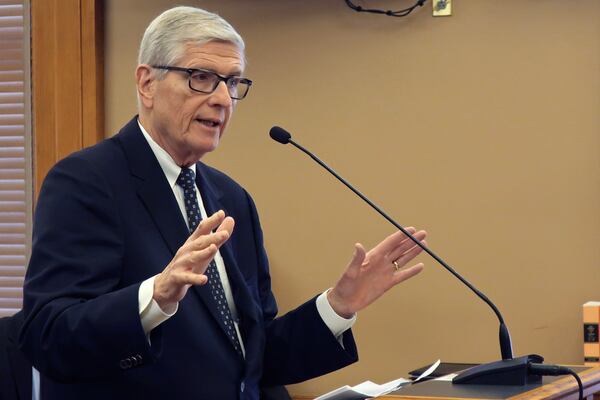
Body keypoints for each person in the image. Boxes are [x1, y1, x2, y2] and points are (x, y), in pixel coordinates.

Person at [19, 6, 427, 400]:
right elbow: (48, 336)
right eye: (201, 77)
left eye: (232, 82)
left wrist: (338, 305)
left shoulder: (232, 199)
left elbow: (255, 356)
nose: (222, 99)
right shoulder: (87, 181)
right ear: (146, 84)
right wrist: (154, 298)